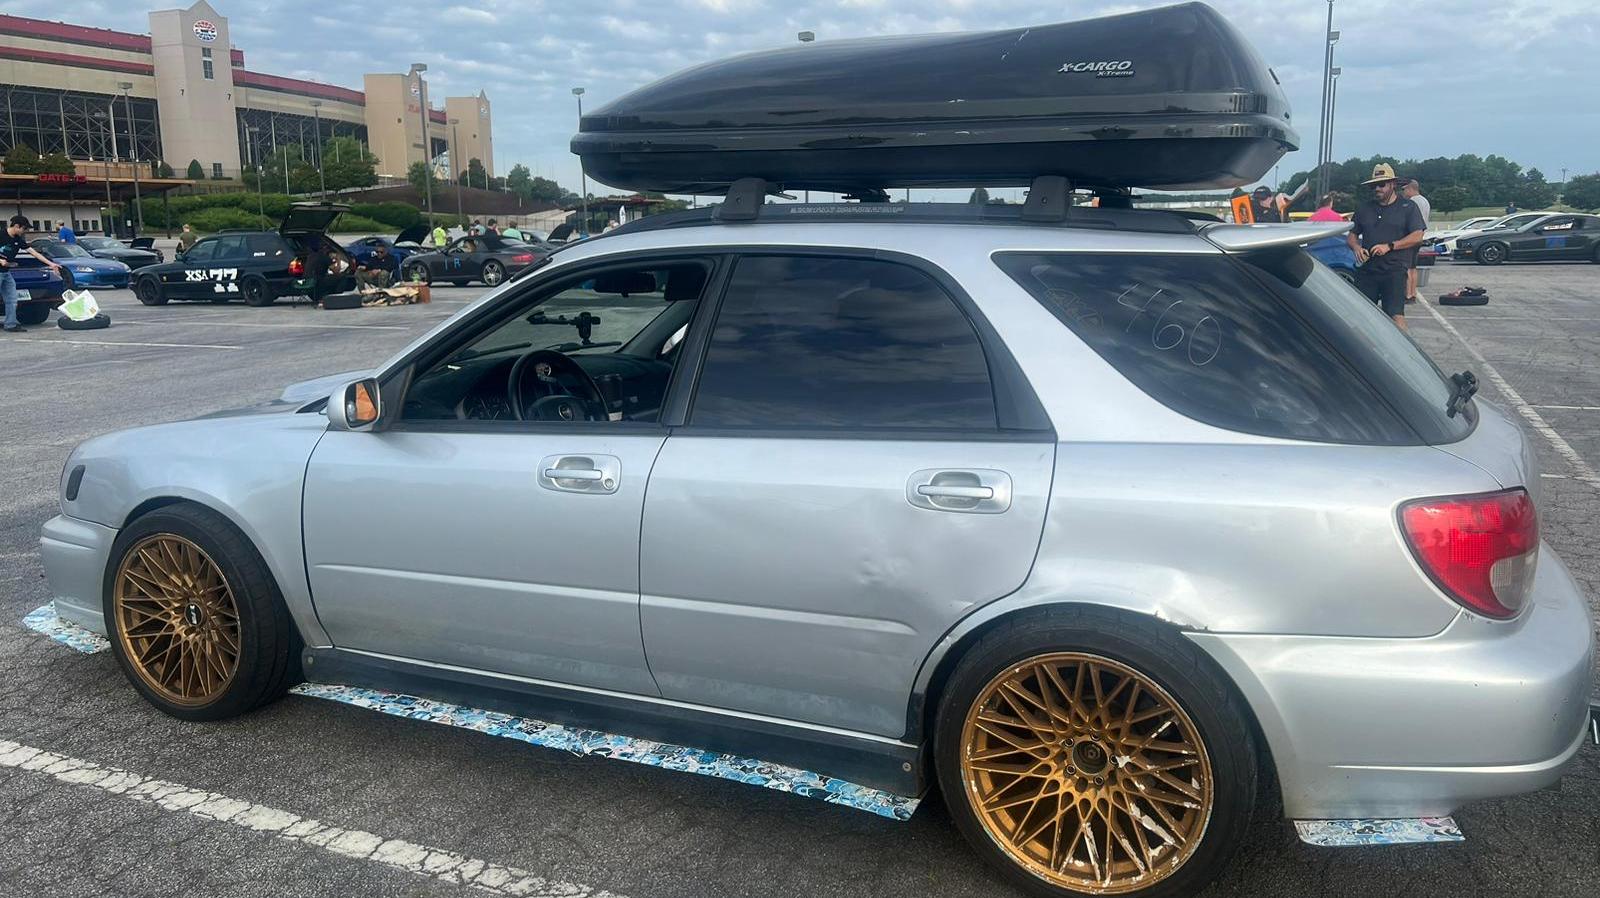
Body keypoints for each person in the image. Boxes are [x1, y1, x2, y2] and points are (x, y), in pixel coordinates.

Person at [1347, 163, 1425, 331]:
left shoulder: (1408, 207)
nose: (1377, 189)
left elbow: (1417, 235)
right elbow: (1352, 236)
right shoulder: (1364, 208)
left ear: (1393, 184)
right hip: (1367, 270)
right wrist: (1356, 248)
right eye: (1374, 185)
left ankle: (1402, 346)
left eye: (1381, 184)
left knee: (1395, 315)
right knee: (1361, 315)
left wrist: (1390, 246)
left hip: (1394, 270)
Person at [2, 214, 64, 333]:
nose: (25, 231)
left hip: (5, 272)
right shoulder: (1, 235)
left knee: (12, 299)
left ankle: (10, 324)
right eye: (24, 228)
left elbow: (34, 253)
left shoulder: (17, 240)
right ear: (16, 226)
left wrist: (51, 264)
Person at [1402, 179, 1431, 303]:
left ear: (1410, 188)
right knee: (1413, 267)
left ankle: (1407, 294)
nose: (1403, 192)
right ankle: (1413, 292)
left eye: (1404, 189)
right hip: (1420, 237)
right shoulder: (1424, 201)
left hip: (1411, 236)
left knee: (1407, 268)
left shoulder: (1412, 202)